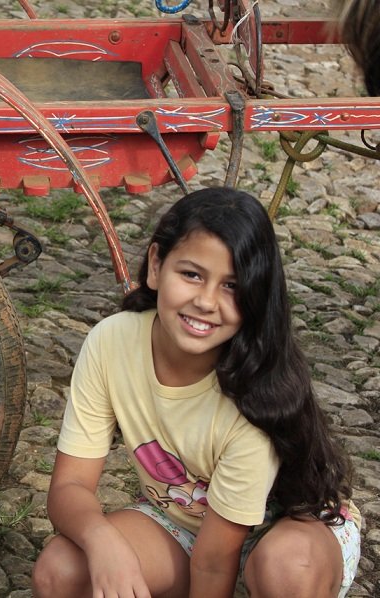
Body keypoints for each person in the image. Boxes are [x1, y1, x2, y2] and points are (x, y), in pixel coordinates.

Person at [31, 188, 361, 598]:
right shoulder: (111, 343)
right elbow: (69, 488)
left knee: (285, 567)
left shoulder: (255, 396)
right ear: (156, 266)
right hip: (182, 525)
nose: (206, 301)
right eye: (191, 274)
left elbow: (213, 563)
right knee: (60, 571)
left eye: (232, 286)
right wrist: (104, 541)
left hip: (287, 532)